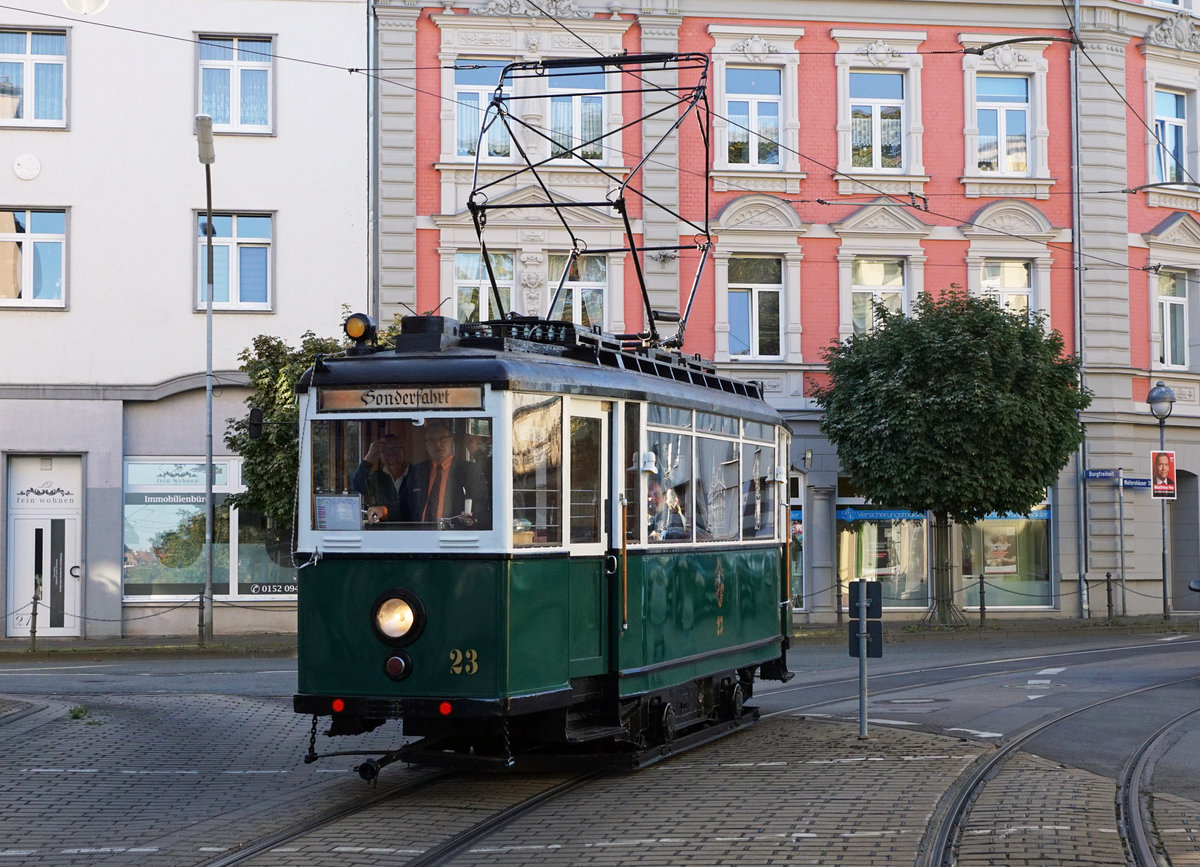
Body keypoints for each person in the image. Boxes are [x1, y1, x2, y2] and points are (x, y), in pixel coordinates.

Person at [399, 421, 487, 528]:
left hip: (455, 537)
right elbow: (402, 506)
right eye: (432, 440)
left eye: (442, 439)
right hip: (419, 536)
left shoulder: (469, 470)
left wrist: (472, 517)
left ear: (451, 441)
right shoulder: (416, 471)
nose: (437, 444)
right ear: (425, 446)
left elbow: (481, 504)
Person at [352, 432, 409, 524]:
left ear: (404, 451)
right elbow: (357, 486)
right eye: (384, 450)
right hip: (382, 533)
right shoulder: (375, 477)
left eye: (394, 449)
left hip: (415, 531)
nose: (390, 454)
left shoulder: (417, 474)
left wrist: (385, 511)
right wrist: (369, 456)